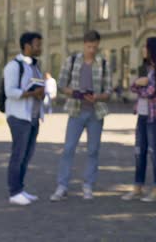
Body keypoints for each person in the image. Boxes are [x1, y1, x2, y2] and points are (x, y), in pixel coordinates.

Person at [50, 30, 112, 201]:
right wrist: (74, 92)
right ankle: (62, 186)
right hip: (76, 111)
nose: (92, 50)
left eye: (95, 47)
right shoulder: (71, 61)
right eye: (89, 46)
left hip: (95, 113)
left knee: (93, 150)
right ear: (84, 44)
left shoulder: (104, 64)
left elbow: (108, 91)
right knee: (68, 149)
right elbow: (61, 84)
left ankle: (88, 185)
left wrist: (97, 97)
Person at [121, 37, 156, 202]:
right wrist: (139, 83)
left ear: (153, 50)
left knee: (154, 153)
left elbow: (151, 92)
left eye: (146, 47)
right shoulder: (145, 68)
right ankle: (137, 188)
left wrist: (139, 85)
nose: (143, 50)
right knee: (139, 152)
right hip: (142, 116)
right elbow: (133, 86)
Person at [3, 32, 45, 206]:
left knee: (27, 155)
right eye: (37, 45)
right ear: (27, 46)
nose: (40, 48)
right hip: (19, 117)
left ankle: (20, 189)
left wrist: (42, 94)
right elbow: (10, 91)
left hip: (33, 117)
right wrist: (31, 93)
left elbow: (37, 87)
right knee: (18, 154)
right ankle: (14, 192)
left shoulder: (35, 66)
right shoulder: (13, 66)